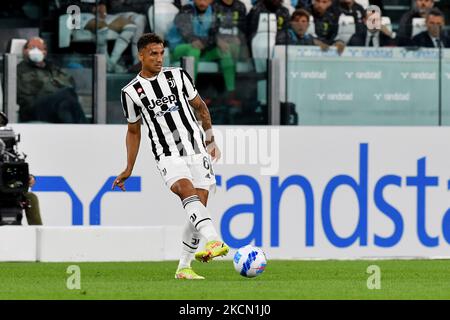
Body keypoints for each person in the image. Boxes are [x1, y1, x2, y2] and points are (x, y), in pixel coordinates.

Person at [113, 33, 229, 280]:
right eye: (153, 53)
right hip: (167, 154)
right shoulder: (131, 92)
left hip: (196, 149)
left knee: (198, 207)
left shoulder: (178, 76)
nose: (159, 58)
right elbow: (133, 131)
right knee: (186, 191)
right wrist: (128, 167)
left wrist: (210, 139)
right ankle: (215, 241)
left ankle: (184, 268)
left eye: (162, 53)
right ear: (141, 55)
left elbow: (200, 107)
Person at [16, 37, 87, 123]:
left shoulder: (53, 67)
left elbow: (70, 83)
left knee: (67, 101)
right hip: (32, 108)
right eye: (32, 48)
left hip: (55, 104)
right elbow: (31, 91)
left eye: (39, 48)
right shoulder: (19, 70)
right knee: (65, 96)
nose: (36, 51)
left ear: (45, 52)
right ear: (24, 51)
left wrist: (52, 86)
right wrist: (55, 84)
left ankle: (78, 131)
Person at [213, 0, 248, 107]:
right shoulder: (214, 5)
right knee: (226, 52)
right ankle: (230, 95)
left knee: (236, 51)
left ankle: (234, 95)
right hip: (215, 45)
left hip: (235, 44)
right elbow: (210, 29)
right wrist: (217, 40)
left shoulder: (240, 6)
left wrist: (240, 40)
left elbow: (244, 30)